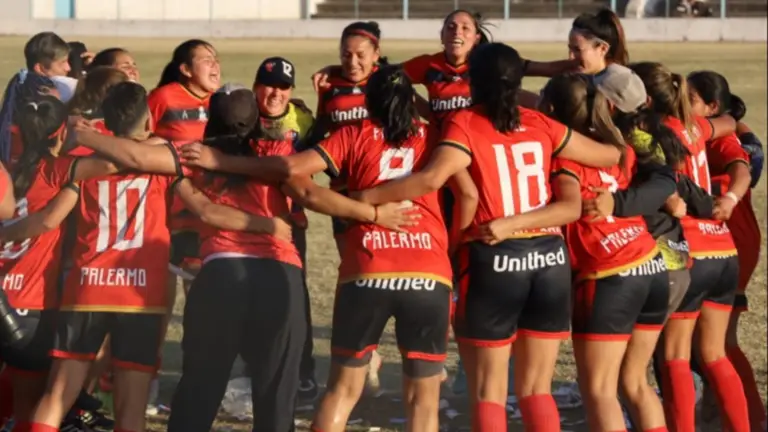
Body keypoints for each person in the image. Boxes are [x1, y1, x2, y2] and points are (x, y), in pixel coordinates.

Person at [349, 42, 621, 431]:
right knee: (536, 390)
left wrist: (366, 198)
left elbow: (431, 179)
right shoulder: (541, 123)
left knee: (488, 391)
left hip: (496, 257)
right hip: (549, 260)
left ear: (474, 81)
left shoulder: (465, 122)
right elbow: (610, 155)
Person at [540, 71, 670, 431]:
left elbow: (568, 208)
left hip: (609, 276)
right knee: (635, 383)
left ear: (550, 109)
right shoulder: (618, 148)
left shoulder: (563, 161)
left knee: (599, 390)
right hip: (650, 265)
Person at [630, 61, 748, 432]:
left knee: (674, 356)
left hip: (689, 248)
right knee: (714, 354)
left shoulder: (649, 130)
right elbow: (726, 122)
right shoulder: (695, 125)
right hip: (724, 250)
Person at [686, 70, 765, 430]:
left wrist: (730, 198)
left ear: (712, 106)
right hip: (714, 238)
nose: (681, 103)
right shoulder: (696, 130)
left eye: (690, 98)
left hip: (732, 238)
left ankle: (753, 417)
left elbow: (745, 168)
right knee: (702, 345)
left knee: (719, 344)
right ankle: (715, 411)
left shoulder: (718, 136)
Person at [252, 55, 320, 402]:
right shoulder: (243, 114)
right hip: (245, 226)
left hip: (291, 227)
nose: (275, 93)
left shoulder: (303, 119)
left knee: (293, 303)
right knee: (250, 301)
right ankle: (254, 370)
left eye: (283, 86)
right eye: (268, 85)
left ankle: (303, 373)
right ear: (256, 87)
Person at [0, 32, 70, 168]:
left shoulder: (22, 84)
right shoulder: (47, 94)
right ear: (40, 68)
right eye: (62, 63)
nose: (68, 68)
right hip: (34, 165)